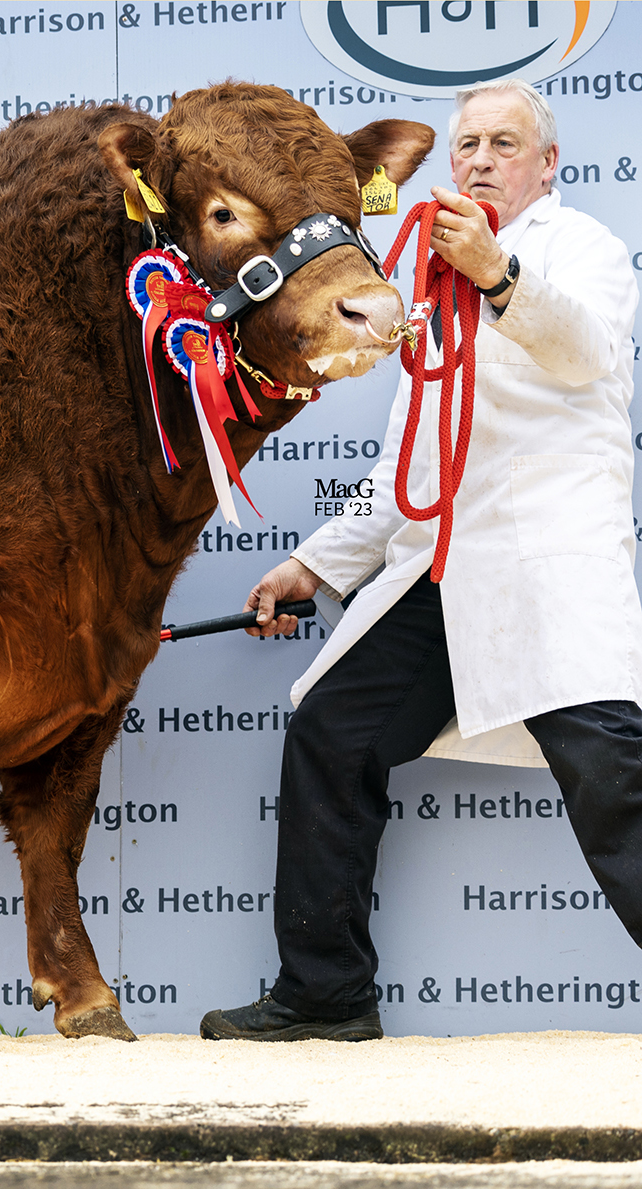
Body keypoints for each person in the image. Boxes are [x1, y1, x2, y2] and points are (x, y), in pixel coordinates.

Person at [201, 79, 642, 1041]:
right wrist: (314, 567)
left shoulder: (585, 249)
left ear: (547, 164)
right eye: (467, 145)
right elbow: (413, 456)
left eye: (503, 144)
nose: (479, 160)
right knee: (331, 732)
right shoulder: (430, 289)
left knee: (615, 785)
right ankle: (325, 995)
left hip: (544, 568)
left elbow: (585, 352)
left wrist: (499, 276)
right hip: (437, 570)